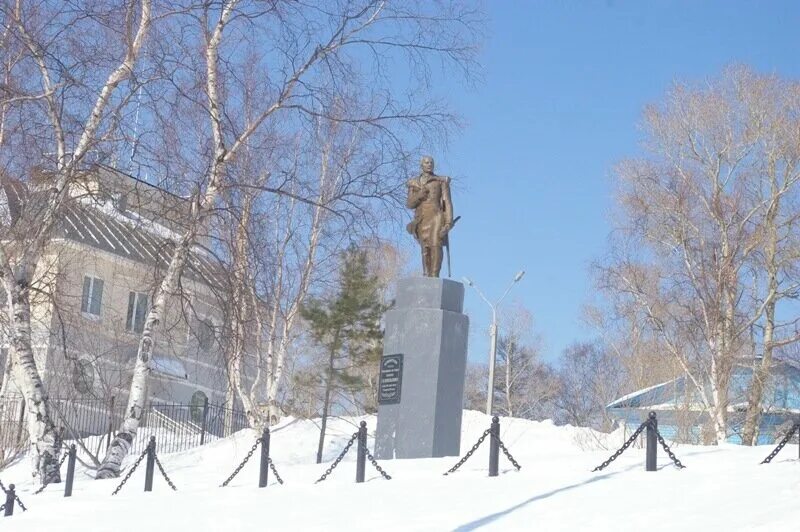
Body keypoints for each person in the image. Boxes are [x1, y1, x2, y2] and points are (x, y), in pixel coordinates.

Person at [406, 156, 454, 277]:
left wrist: (448, 223)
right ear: (421, 165)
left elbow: (447, 202)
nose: (429, 164)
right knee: (425, 249)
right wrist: (419, 196)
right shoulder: (413, 183)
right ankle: (426, 275)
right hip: (421, 218)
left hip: (436, 216)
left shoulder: (440, 181)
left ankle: (434, 275)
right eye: (426, 163)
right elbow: (409, 204)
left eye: (431, 163)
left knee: (435, 244)